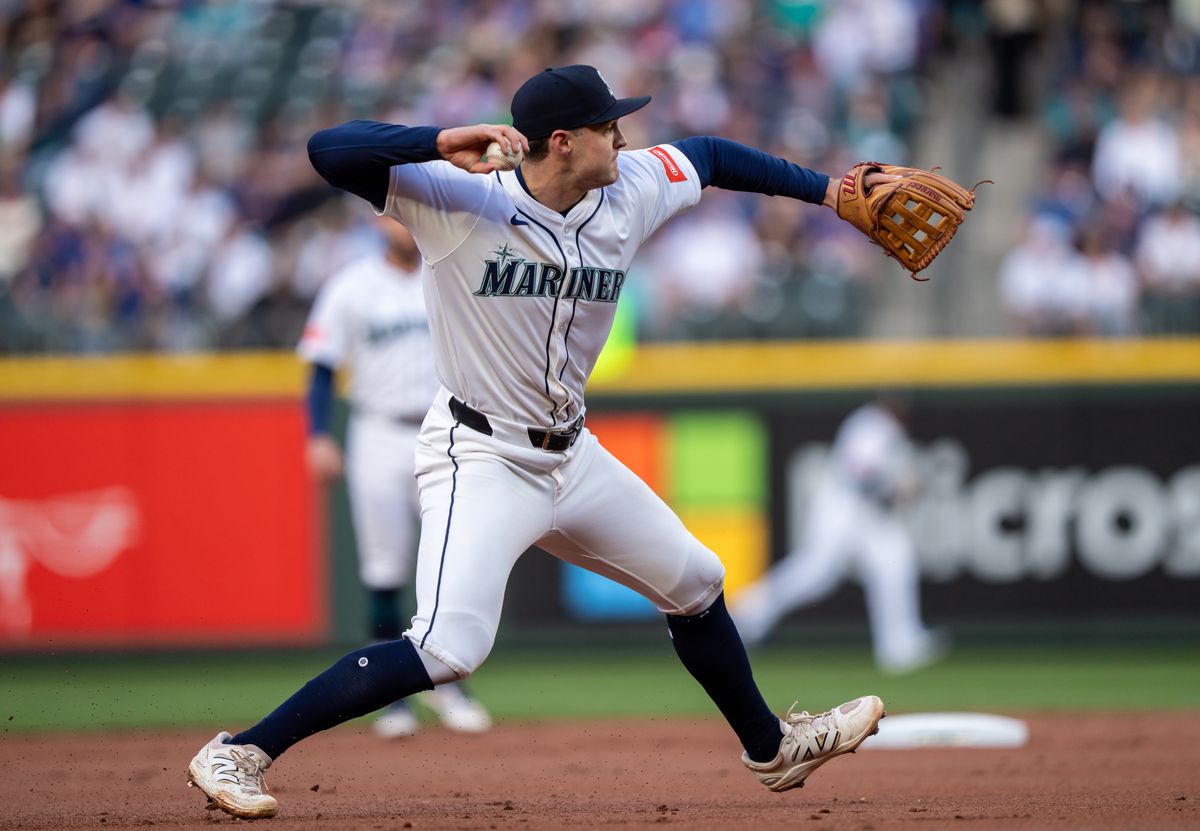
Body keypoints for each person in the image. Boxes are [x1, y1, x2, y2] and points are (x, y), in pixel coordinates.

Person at [187, 64, 887, 820]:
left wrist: (829, 191)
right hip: (480, 453)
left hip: (572, 455)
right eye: (607, 127)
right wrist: (437, 140)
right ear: (562, 142)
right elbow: (331, 149)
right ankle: (241, 749)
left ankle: (771, 749)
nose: (623, 137)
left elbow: (713, 155)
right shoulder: (457, 199)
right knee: (449, 647)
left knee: (697, 580)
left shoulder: (630, 188)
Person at [298, 213, 491, 738]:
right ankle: (396, 703)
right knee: (383, 569)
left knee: (449, 561)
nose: (406, 227)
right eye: (396, 217)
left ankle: (450, 688)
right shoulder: (351, 286)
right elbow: (319, 366)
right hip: (378, 432)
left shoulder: (451, 270)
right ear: (378, 222)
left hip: (447, 429)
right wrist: (317, 435)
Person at [731, 393, 946, 674]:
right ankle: (747, 612)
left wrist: (897, 486)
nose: (898, 410)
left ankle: (899, 644)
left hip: (866, 513)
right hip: (843, 507)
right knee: (815, 573)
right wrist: (895, 486)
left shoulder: (888, 428)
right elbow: (860, 472)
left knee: (894, 560)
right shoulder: (871, 423)